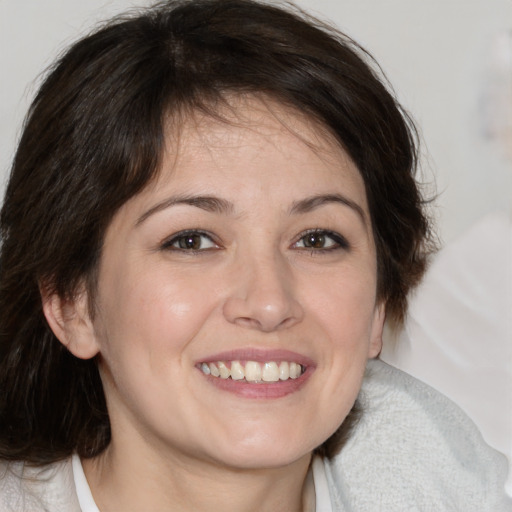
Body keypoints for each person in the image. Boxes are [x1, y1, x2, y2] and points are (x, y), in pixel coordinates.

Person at [0, 0, 509, 510]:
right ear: (73, 302)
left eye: (317, 239)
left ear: (378, 304)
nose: (269, 303)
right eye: (192, 240)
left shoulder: (459, 485)